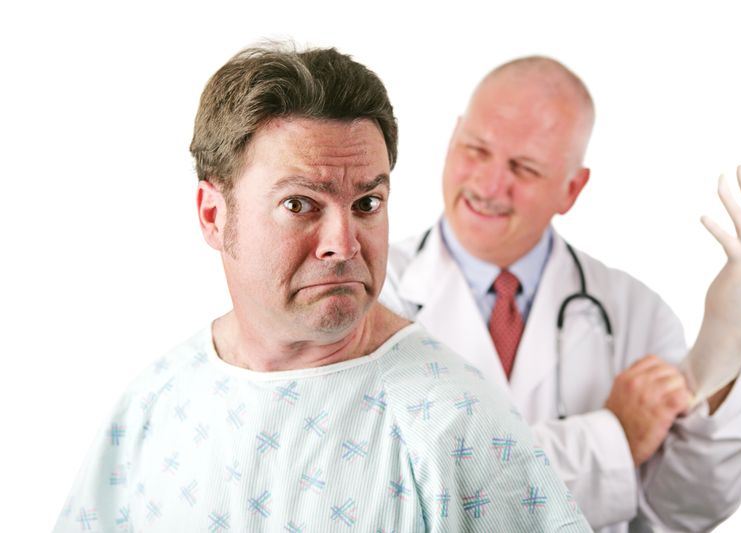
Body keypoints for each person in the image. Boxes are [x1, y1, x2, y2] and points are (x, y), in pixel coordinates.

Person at [53, 45, 591, 532]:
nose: (345, 243)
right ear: (214, 215)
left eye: (367, 205)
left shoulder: (454, 423)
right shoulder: (156, 406)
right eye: (299, 204)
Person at [381, 56, 741, 532]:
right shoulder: (371, 295)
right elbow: (397, 491)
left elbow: (688, 509)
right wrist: (613, 439)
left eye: (524, 168)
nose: (488, 184)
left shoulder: (632, 313)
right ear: (452, 137)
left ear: (572, 189)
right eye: (476, 149)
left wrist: (722, 347)